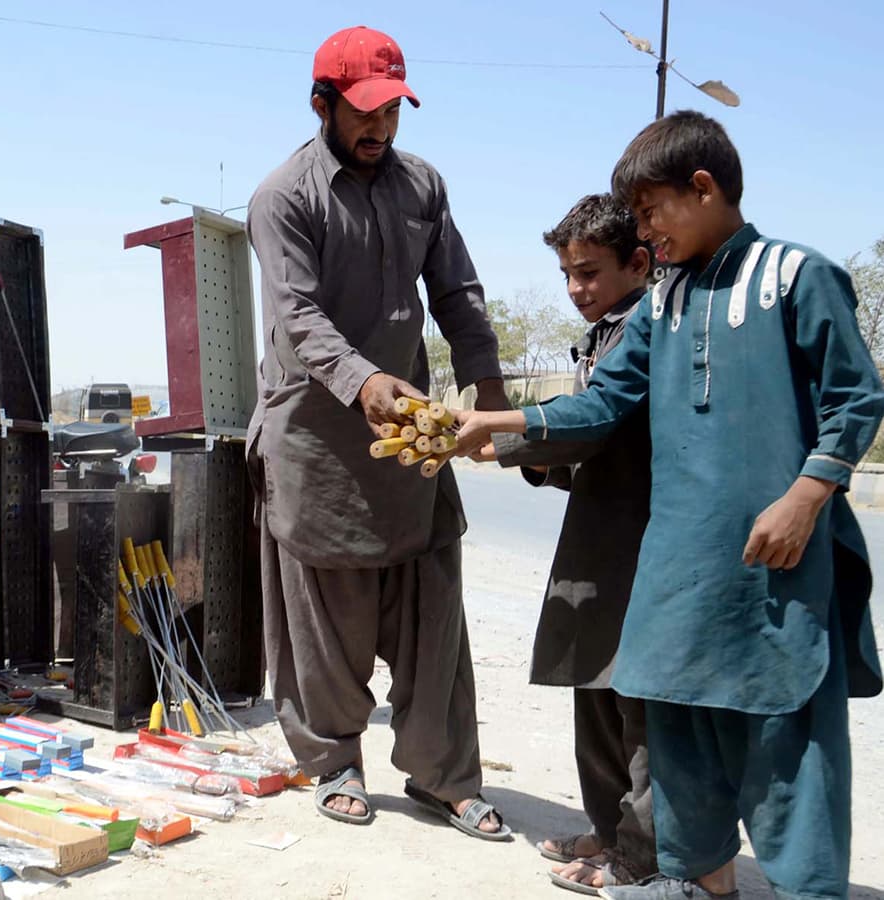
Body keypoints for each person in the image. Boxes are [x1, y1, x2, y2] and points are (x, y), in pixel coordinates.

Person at [453, 110, 884, 900]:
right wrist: (501, 422)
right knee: (681, 737)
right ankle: (697, 884)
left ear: (704, 187)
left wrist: (805, 495)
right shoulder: (664, 301)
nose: (646, 234)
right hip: (679, 568)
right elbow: (604, 403)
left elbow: (855, 400)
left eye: (651, 213)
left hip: (775, 566)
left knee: (789, 750)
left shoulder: (798, 275)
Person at [246, 24, 511, 838]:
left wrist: (491, 395)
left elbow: (458, 293)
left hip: (410, 438)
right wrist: (361, 381)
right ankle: (334, 758)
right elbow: (298, 317)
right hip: (315, 437)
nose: (381, 129)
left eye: (393, 111)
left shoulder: (422, 185)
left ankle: (443, 775)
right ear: (322, 103)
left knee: (433, 604)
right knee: (326, 613)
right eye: (365, 113)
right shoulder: (284, 196)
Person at [480, 194, 657, 893]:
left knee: (638, 702)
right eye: (568, 275)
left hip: (645, 535)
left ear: (637, 262)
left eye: (590, 272)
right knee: (594, 684)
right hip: (599, 530)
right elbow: (585, 446)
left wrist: (500, 433)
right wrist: (532, 455)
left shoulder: (648, 325)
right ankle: (611, 831)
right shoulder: (605, 332)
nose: (578, 289)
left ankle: (642, 855)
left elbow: (602, 420)